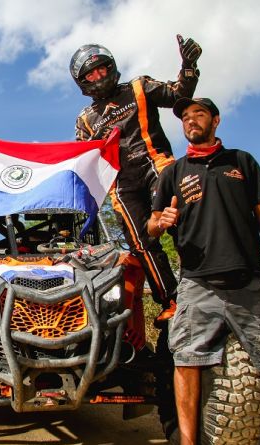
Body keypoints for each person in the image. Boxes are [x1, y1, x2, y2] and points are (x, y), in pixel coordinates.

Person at [148, 97, 260, 445]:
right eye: (185, 117)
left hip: (247, 282)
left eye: (199, 114)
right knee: (185, 363)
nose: (191, 121)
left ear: (215, 120)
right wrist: (159, 221)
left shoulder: (242, 161)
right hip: (197, 284)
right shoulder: (174, 172)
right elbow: (152, 224)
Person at [70, 35, 201, 340]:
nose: (98, 76)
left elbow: (179, 95)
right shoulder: (85, 119)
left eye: (101, 69)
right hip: (121, 185)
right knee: (140, 243)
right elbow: (80, 156)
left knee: (182, 220)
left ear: (111, 67)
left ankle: (200, 286)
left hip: (158, 165)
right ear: (82, 82)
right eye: (90, 74)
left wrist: (189, 66)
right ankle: (170, 299)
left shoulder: (139, 87)